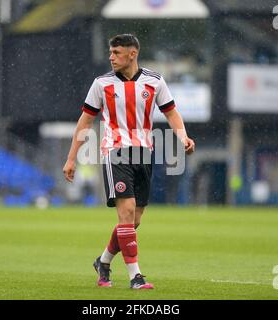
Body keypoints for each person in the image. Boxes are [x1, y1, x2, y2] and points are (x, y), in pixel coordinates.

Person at [63, 34, 195, 289]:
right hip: (115, 151)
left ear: (132, 54)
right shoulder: (101, 84)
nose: (111, 57)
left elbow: (171, 112)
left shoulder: (154, 81)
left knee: (133, 221)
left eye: (116, 52)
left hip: (144, 153)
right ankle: (135, 276)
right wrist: (71, 159)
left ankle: (103, 262)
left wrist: (183, 137)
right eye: (110, 52)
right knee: (126, 212)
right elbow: (85, 121)